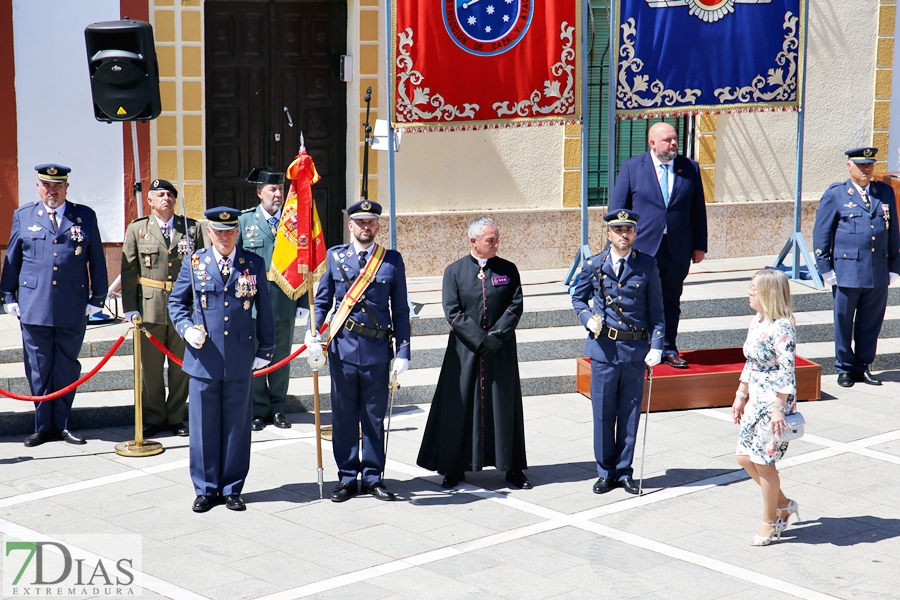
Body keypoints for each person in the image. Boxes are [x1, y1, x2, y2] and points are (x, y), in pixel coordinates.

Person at [168, 207, 276, 512]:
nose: (225, 237)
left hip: (241, 357)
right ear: (208, 233)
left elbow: (264, 310)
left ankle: (232, 488)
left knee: (236, 427)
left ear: (238, 232)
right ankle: (205, 488)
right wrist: (187, 329)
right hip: (204, 357)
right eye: (219, 231)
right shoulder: (195, 262)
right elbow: (177, 302)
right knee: (203, 426)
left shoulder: (252, 263)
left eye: (230, 231)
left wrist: (265, 351)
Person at [417, 217, 530, 490]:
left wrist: (496, 338)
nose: (495, 244)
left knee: (504, 405)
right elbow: (452, 311)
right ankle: (454, 468)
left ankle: (512, 467)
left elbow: (515, 305)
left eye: (496, 239)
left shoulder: (508, 269)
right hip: (464, 351)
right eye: (490, 240)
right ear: (474, 241)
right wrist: (481, 340)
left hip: (500, 350)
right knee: (459, 407)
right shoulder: (454, 271)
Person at [0, 164, 108, 447]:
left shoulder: (83, 216)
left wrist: (98, 299)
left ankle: (62, 424)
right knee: (37, 366)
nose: (52, 191)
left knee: (67, 367)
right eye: (47, 185)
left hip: (72, 305)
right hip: (34, 305)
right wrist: (8, 297)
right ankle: (42, 425)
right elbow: (13, 259)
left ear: (66, 188)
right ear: (38, 187)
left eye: (58, 186)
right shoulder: (24, 216)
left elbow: (96, 258)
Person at [313, 199, 410, 502]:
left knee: (373, 417)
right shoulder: (335, 257)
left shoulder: (391, 260)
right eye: (360, 222)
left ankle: (372, 476)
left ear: (378, 226)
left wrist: (403, 352)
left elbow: (402, 310)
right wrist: (312, 332)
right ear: (350, 225)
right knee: (343, 418)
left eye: (371, 222)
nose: (366, 227)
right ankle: (345, 478)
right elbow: (322, 301)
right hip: (343, 350)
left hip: (377, 352)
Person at [571, 210, 665, 495]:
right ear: (608, 234)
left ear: (635, 234)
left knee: (630, 413)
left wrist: (657, 345)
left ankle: (624, 471)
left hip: (635, 351)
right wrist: (587, 316)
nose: (623, 235)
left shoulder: (647, 266)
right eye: (618, 230)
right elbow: (577, 296)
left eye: (628, 230)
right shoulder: (593, 265)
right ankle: (605, 472)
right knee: (603, 413)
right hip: (603, 351)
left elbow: (657, 311)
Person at [609, 122, 707, 369]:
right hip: (643, 247)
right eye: (667, 140)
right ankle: (641, 348)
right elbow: (620, 210)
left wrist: (700, 245)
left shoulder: (689, 168)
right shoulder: (633, 167)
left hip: (677, 247)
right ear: (652, 143)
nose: (673, 143)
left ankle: (668, 348)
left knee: (671, 299)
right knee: (638, 299)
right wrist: (619, 245)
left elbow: (698, 210)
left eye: (675, 139)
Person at [121, 179, 204, 438]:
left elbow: (201, 269)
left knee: (181, 367)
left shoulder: (191, 228)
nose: (165, 198)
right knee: (152, 368)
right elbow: (128, 270)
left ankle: (177, 416)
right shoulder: (138, 229)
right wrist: (130, 308)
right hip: (150, 306)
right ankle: (154, 416)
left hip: (184, 309)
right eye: (160, 194)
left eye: (170, 194)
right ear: (150, 200)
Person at [812, 147, 900, 387]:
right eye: (861, 165)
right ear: (849, 166)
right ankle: (845, 368)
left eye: (869, 165)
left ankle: (863, 366)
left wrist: (895, 265)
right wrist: (825, 268)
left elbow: (892, 231)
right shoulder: (837, 194)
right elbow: (821, 233)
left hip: (877, 270)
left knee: (871, 321)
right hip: (846, 271)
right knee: (843, 320)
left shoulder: (884, 192)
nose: (866, 169)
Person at [732, 269, 800, 546]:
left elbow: (787, 371)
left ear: (768, 293)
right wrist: (740, 394)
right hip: (755, 399)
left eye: (753, 287)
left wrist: (778, 408)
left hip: (774, 402)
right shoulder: (757, 321)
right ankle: (783, 504)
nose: (749, 292)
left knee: (764, 461)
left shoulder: (782, 327)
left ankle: (770, 522)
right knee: (744, 457)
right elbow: (750, 361)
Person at [239, 168, 310, 431]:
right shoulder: (245, 222)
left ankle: (278, 407)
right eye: (272, 189)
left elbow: (304, 264)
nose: (278, 194)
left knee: (281, 356)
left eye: (281, 189)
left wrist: (302, 302)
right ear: (260, 193)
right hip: (253, 302)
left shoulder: (294, 222)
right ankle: (258, 408)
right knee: (256, 354)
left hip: (284, 301)